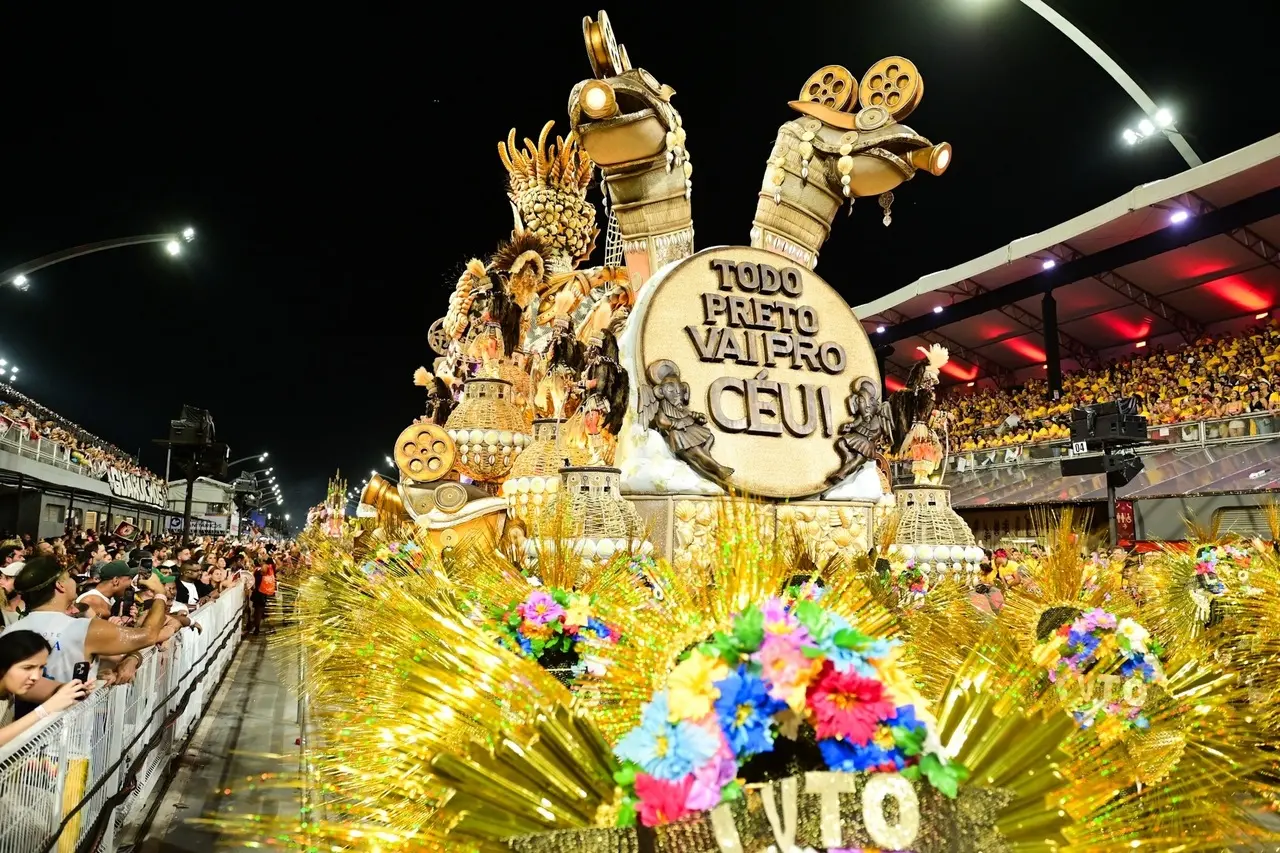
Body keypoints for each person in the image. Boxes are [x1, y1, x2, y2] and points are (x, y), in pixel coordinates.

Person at [1, 556, 169, 683]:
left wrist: (133, 658)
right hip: (72, 725)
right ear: (60, 586)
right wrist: (160, 593)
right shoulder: (84, 629)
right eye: (68, 577)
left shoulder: (10, 632)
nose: (73, 581)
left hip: (29, 726)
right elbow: (148, 636)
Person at [0, 631, 89, 747]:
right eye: (27, 667)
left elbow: (54, 689)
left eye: (41, 667)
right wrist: (45, 710)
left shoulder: (13, 687)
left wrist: (76, 688)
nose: (36, 676)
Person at [251, 556, 276, 636]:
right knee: (259, 612)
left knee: (268, 611)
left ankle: (269, 628)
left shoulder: (270, 570)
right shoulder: (259, 571)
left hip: (265, 594)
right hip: (260, 594)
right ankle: (257, 628)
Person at [1, 560, 23, 628]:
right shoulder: (2, 609)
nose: (1, 582)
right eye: (1, 577)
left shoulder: (32, 611)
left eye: (7, 578)